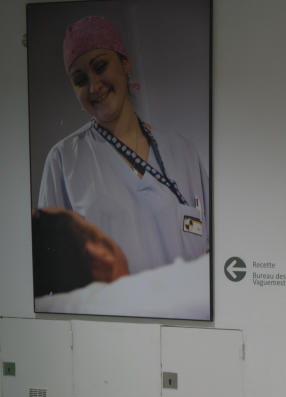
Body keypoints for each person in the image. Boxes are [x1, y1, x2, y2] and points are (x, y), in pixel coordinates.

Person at [36, 15, 209, 287]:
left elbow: (215, 246)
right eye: (80, 80)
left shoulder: (183, 152)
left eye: (100, 66)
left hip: (187, 321)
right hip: (111, 324)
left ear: (125, 63)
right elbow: (53, 273)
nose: (94, 86)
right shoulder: (63, 161)